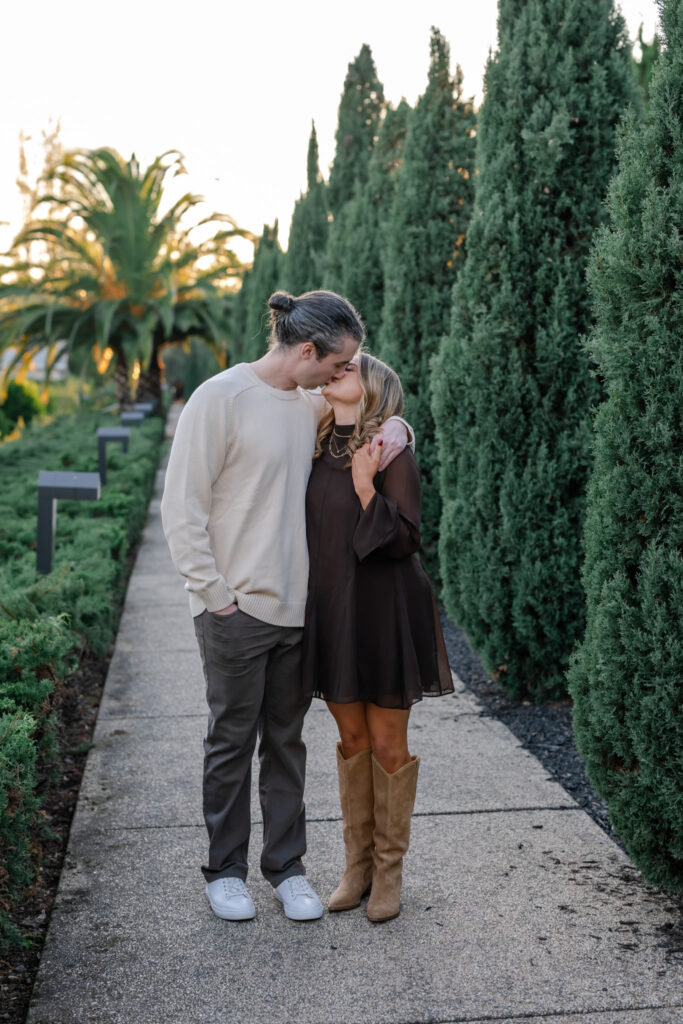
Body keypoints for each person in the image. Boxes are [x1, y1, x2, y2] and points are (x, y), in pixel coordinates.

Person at [160, 290, 410, 923]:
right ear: (307, 350)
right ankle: (224, 872)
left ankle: (287, 868)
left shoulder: (309, 409)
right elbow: (181, 509)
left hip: (299, 614)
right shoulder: (220, 399)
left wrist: (400, 427)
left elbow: (375, 415)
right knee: (230, 742)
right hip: (235, 611)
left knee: (286, 744)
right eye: (339, 361)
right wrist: (215, 596)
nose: (343, 372)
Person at [302, 352, 453, 923]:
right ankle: (355, 867)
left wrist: (366, 487)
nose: (338, 369)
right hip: (333, 608)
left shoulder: (391, 450)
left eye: (351, 366)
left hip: (384, 607)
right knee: (350, 736)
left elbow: (406, 538)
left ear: (374, 389)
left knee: (388, 742)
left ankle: (388, 874)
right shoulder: (314, 443)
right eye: (335, 366)